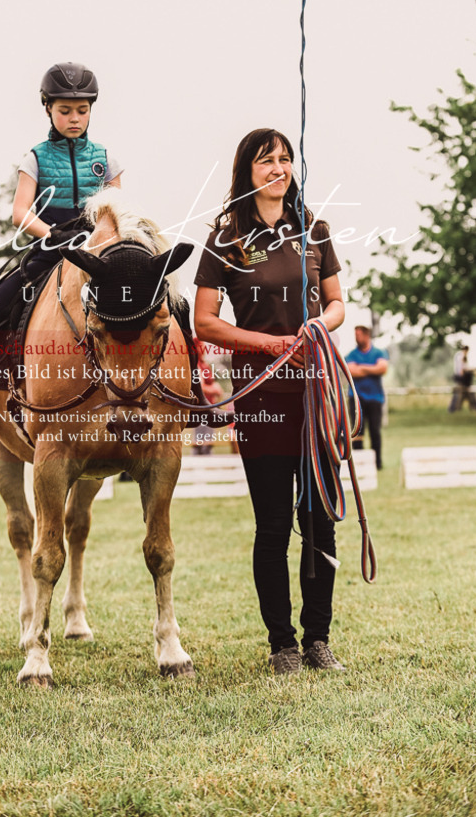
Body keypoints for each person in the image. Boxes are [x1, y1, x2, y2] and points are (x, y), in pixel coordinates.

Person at [194, 128, 346, 675]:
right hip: (261, 398)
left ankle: (318, 639)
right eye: (266, 161)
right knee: (274, 525)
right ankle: (281, 643)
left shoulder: (315, 230)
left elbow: (336, 306)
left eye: (285, 158)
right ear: (246, 171)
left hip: (315, 392)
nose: (278, 168)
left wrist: (314, 329)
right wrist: (272, 344)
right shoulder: (224, 240)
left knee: (321, 521)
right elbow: (205, 321)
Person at [0, 62, 122, 446]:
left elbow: (118, 211)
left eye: (82, 110)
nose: (74, 118)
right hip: (52, 247)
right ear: (48, 109)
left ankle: (189, 396)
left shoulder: (108, 158)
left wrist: (95, 240)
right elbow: (20, 213)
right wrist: (58, 235)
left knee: (167, 302)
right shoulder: (35, 158)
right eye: (64, 110)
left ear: (92, 109)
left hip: (99, 251)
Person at [345, 325, 389, 468]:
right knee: (357, 431)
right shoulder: (351, 354)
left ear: (366, 335)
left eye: (358, 335)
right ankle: (360, 463)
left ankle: (378, 463)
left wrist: (361, 367)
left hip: (375, 398)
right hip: (356, 398)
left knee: (375, 430)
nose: (356, 338)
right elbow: (352, 371)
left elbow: (382, 368)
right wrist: (371, 369)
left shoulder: (378, 352)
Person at [448, 345, 476, 413]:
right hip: (461, 380)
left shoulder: (462, 356)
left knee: (470, 395)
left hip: (465, 381)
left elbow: (465, 367)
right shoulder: (460, 356)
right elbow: (463, 369)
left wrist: (475, 372)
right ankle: (452, 410)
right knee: (458, 395)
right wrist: (473, 369)